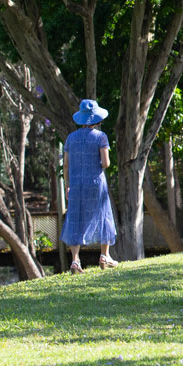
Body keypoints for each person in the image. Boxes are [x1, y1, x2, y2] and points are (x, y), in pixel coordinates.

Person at [61, 98, 119, 274]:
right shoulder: (101, 137)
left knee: (75, 218)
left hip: (76, 185)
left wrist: (67, 185)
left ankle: (75, 261)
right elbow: (106, 163)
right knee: (103, 215)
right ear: (96, 119)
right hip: (95, 183)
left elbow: (65, 165)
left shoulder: (71, 138)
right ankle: (104, 255)